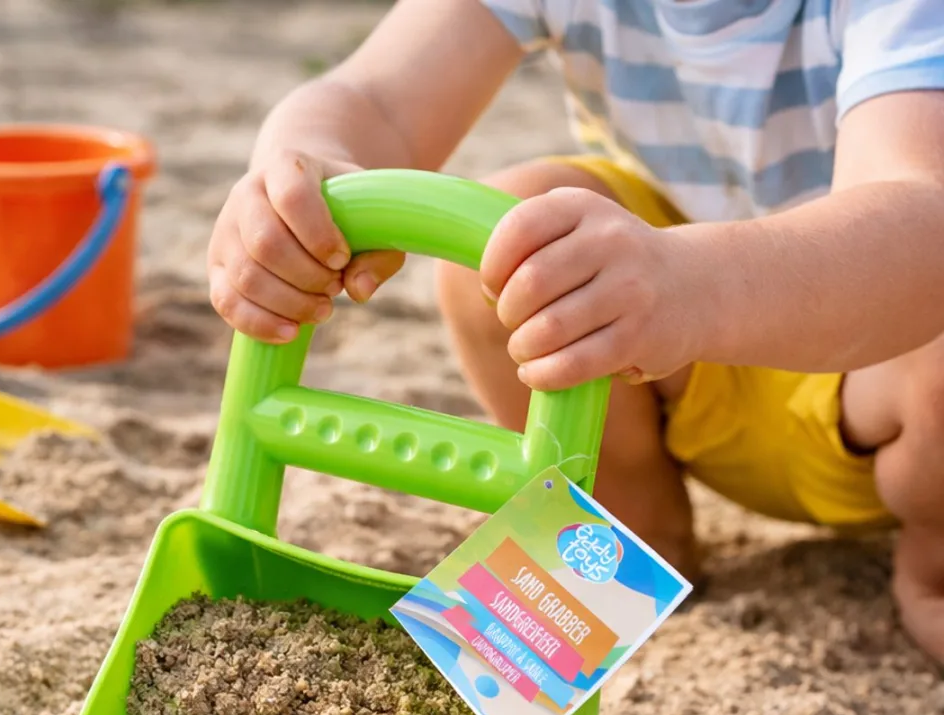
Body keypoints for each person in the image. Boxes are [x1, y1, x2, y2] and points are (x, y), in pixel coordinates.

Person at [206, 0, 944, 662]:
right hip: (665, 356)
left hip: (878, 365)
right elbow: (376, 99)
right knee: (513, 238)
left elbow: (920, 224)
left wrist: (695, 284)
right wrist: (298, 172)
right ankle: (628, 531)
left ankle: (931, 568)